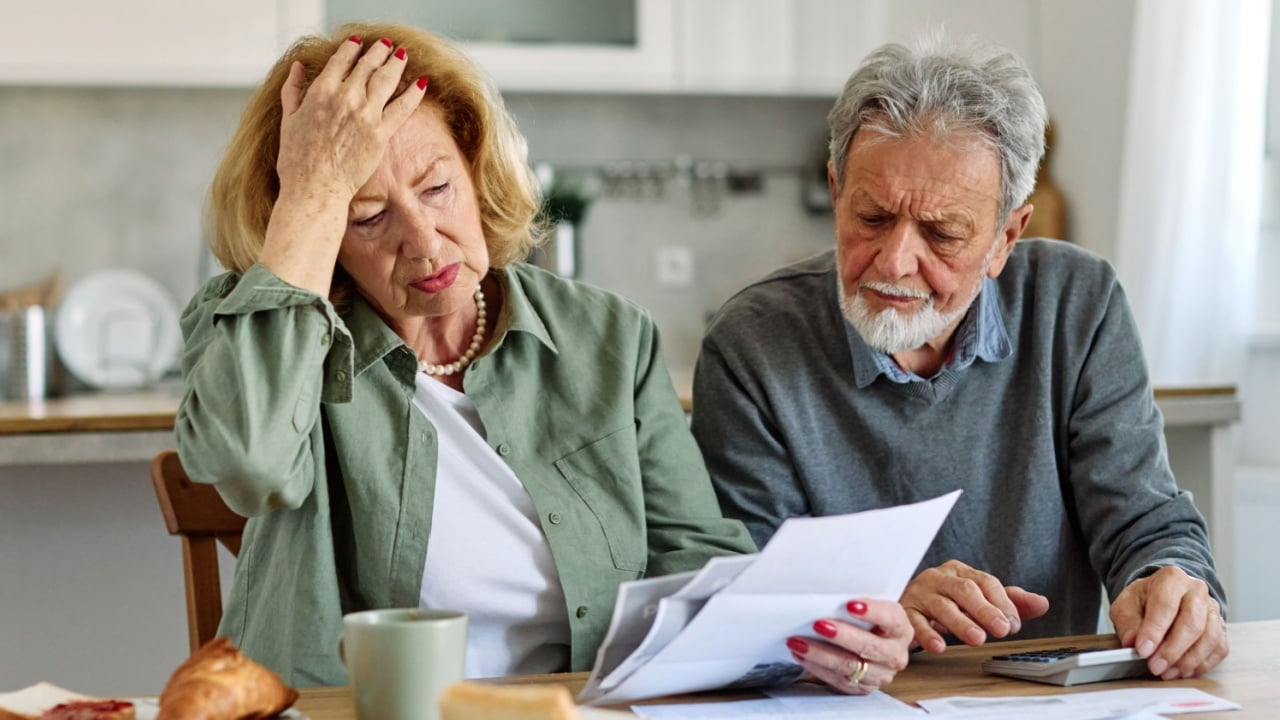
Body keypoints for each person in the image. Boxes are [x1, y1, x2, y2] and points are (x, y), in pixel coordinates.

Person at [176, 21, 911, 691]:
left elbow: (693, 561)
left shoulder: (607, 339)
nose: (426, 242)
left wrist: (817, 639)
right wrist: (310, 192)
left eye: (437, 187)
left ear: (474, 162)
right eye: (366, 216)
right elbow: (249, 463)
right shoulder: (257, 331)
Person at [691, 34, 1229, 682]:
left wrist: (1168, 585)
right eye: (871, 217)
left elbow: (1146, 520)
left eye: (942, 233)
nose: (894, 262)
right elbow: (741, 601)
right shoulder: (751, 344)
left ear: (1007, 236)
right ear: (836, 190)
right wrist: (875, 606)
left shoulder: (1079, 305)